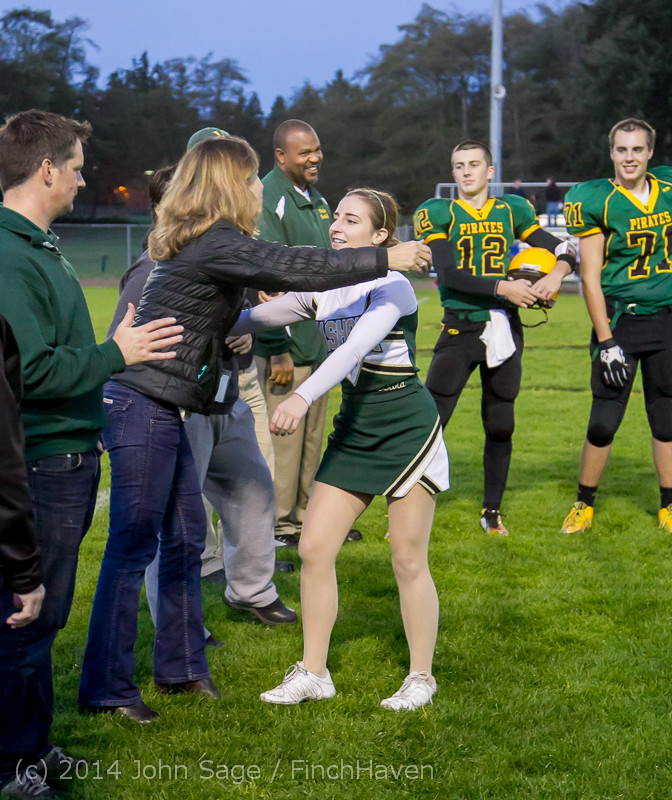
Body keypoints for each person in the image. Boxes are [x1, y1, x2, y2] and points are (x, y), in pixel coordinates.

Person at [77, 136, 431, 721]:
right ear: (227, 186)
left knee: (185, 536)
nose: (256, 190)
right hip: (143, 401)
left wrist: (230, 327)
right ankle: (107, 686)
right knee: (135, 544)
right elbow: (296, 267)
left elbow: (260, 304)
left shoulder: (211, 239)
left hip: (170, 403)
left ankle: (181, 669)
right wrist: (385, 258)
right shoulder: (216, 239)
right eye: (248, 180)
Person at [0, 109, 184, 768]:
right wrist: (117, 353)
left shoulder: (36, 245)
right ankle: (15, 764)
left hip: (66, 456)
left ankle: (34, 747)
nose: (83, 181)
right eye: (76, 168)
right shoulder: (9, 255)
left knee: (43, 617)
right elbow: (30, 371)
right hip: (41, 462)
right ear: (46, 169)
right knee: (25, 616)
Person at [230, 188, 448, 710]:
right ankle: (314, 672)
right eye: (337, 218)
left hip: (405, 426)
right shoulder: (325, 287)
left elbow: (354, 348)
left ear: (379, 235)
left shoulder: (394, 285)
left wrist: (301, 396)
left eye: (352, 220)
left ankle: (421, 677)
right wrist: (201, 324)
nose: (336, 226)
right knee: (313, 548)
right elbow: (260, 317)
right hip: (355, 427)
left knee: (407, 557)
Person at [414, 140, 576, 536]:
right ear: (453, 172)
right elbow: (447, 274)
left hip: (504, 326)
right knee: (431, 423)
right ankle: (407, 508)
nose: (466, 171)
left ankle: (492, 510)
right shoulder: (440, 212)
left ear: (490, 171)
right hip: (460, 327)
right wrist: (504, 287)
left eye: (474, 164)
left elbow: (564, 247)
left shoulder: (512, 209)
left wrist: (556, 275)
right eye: (459, 165)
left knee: (501, 423)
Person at [560, 118, 672, 535]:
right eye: (622, 149)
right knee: (604, 421)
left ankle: (669, 505)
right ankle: (584, 503)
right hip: (620, 321)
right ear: (611, 153)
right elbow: (590, 278)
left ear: (650, 153)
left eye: (637, 149)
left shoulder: (668, 189)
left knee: (666, 420)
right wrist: (606, 340)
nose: (629, 157)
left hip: (665, 320)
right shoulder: (598, 199)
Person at [255, 119, 353, 547]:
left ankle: (305, 519)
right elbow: (267, 279)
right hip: (289, 345)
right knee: (285, 439)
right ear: (280, 156)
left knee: (312, 437)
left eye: (317, 149)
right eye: (304, 152)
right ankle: (278, 525)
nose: (315, 158)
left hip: (318, 342)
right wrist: (276, 347)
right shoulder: (267, 197)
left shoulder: (316, 198)